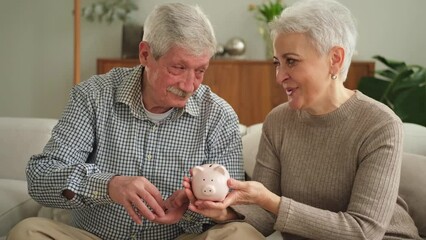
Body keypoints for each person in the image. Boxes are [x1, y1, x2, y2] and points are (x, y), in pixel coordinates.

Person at [7, 3, 266, 240]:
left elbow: (235, 207)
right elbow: (41, 178)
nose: (189, 86)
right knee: (27, 232)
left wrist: (192, 208)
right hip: (94, 236)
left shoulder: (219, 116)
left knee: (241, 234)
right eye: (178, 68)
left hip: (176, 238)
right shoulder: (93, 96)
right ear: (145, 55)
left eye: (200, 71)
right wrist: (109, 185)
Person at [183, 0, 423, 239]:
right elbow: (265, 216)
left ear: (335, 59)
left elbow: (364, 231)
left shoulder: (379, 125)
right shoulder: (278, 121)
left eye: (291, 61)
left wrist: (272, 202)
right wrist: (223, 213)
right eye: (277, 63)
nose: (279, 77)